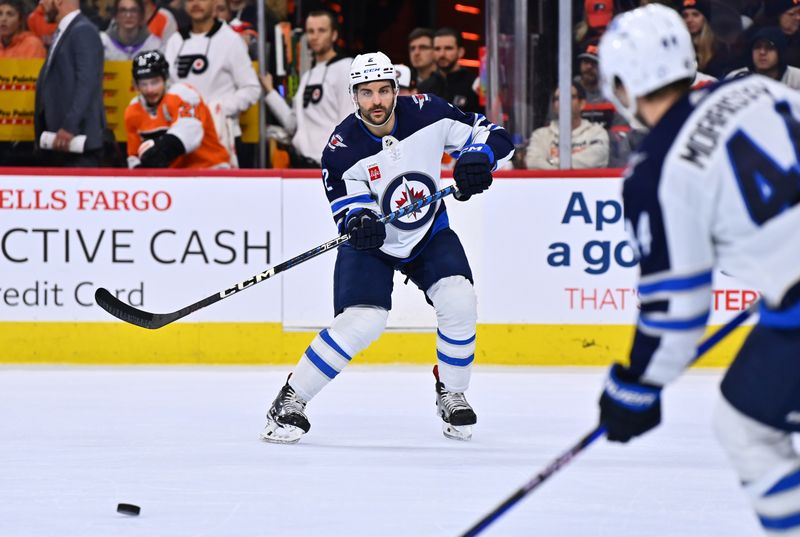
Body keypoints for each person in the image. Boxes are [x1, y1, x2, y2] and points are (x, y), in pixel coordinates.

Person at [595, 5, 800, 536]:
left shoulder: (655, 172)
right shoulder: (763, 90)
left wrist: (635, 389)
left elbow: (678, 309)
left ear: (621, 84)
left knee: (747, 429)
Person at [260, 51, 514, 445]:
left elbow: (493, 135)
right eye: (365, 93)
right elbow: (348, 208)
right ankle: (290, 400)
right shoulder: (341, 149)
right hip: (373, 245)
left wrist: (480, 157)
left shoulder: (429, 111)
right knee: (363, 320)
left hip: (427, 232)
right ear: (353, 95)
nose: (376, 101)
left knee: (459, 298)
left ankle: (452, 391)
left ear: (396, 89)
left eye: (383, 90)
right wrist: (358, 222)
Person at [164, 0, 259, 167]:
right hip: (182, 135)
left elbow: (251, 88)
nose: (196, 3)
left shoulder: (230, 39)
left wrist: (219, 108)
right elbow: (166, 87)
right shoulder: (175, 41)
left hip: (220, 134)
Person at [260, 10, 352, 167]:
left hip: (330, 165)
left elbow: (350, 124)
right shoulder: (307, 75)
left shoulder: (346, 68)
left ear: (334, 35)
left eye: (321, 30)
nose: (315, 36)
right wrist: (270, 92)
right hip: (301, 163)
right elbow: (293, 124)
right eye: (310, 31)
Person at [124, 50, 229, 168]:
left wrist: (162, 149)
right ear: (136, 85)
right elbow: (133, 155)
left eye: (155, 82)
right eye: (144, 84)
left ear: (165, 79)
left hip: (210, 168)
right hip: (172, 178)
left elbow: (190, 132)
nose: (150, 90)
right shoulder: (133, 110)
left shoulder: (184, 94)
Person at [34, 0, 106, 166]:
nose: (40, 3)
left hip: (76, 142)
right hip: (59, 140)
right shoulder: (64, 31)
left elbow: (86, 83)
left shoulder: (83, 31)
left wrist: (69, 126)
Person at [525, 82, 609, 170]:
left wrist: (553, 162)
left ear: (582, 104)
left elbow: (595, 158)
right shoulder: (540, 135)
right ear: (554, 107)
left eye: (569, 97)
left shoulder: (597, 132)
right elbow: (533, 162)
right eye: (558, 98)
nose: (563, 102)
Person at [417, 27, 480, 114]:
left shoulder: (474, 85)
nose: (442, 54)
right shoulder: (424, 88)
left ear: (460, 52)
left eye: (448, 48)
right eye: (437, 49)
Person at [727, 26, 800, 90]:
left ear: (780, 52)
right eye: (757, 47)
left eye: (769, 48)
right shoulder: (735, 77)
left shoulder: (796, 78)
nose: (762, 52)